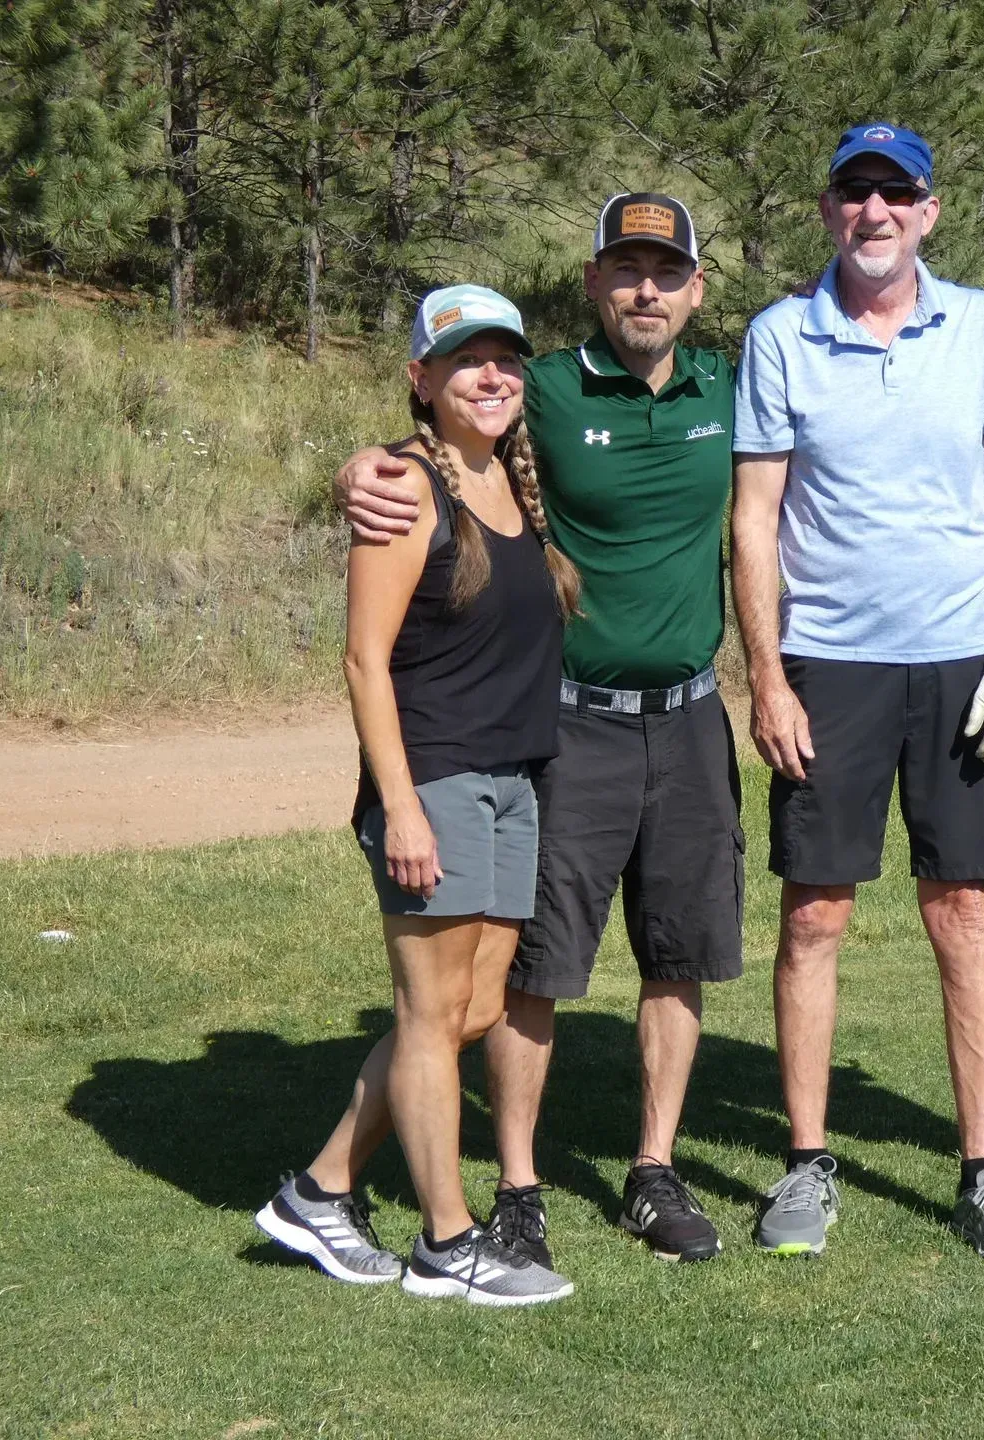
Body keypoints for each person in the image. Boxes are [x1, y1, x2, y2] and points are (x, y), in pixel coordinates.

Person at [331, 195, 742, 1264]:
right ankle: (516, 1185)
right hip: (574, 727)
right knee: (536, 968)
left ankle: (653, 1168)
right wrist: (361, 469)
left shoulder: (735, 385)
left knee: (677, 955)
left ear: (696, 288)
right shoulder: (543, 386)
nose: (645, 288)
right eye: (625, 269)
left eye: (666, 270)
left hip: (695, 717)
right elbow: (438, 444)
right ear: (595, 283)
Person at [732, 123, 984, 1265]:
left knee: (961, 914)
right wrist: (764, 676)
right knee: (815, 912)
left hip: (966, 660)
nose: (874, 212)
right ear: (826, 210)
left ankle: (983, 1172)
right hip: (829, 664)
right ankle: (808, 1165)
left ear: (929, 211)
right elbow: (754, 519)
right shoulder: (780, 338)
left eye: (895, 194)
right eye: (854, 192)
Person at [255, 284, 579, 1305]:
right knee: (432, 1014)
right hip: (435, 781)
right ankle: (449, 1241)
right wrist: (398, 805)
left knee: (471, 1008)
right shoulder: (404, 488)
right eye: (466, 359)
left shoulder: (511, 484)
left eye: (506, 358)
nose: (492, 376)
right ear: (422, 379)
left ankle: (321, 1188)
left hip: (512, 781)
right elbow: (363, 661)